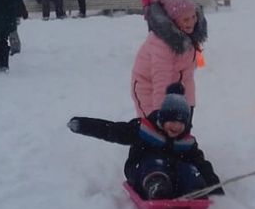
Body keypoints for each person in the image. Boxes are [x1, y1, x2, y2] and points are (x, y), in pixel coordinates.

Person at [67, 85, 223, 200]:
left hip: (173, 173)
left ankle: (195, 191)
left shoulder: (186, 142)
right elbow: (112, 130)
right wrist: (84, 125)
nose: (176, 126)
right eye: (172, 121)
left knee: (188, 168)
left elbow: (200, 162)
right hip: (141, 170)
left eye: (181, 123)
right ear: (162, 119)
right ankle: (157, 187)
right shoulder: (144, 130)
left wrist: (212, 184)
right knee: (154, 163)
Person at [131, 0, 206, 120]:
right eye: (185, 20)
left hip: (175, 88)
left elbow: (187, 76)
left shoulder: (188, 38)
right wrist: (161, 112)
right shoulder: (162, 44)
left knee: (179, 130)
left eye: (193, 17)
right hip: (148, 89)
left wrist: (189, 106)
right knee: (153, 131)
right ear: (174, 21)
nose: (191, 22)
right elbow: (161, 80)